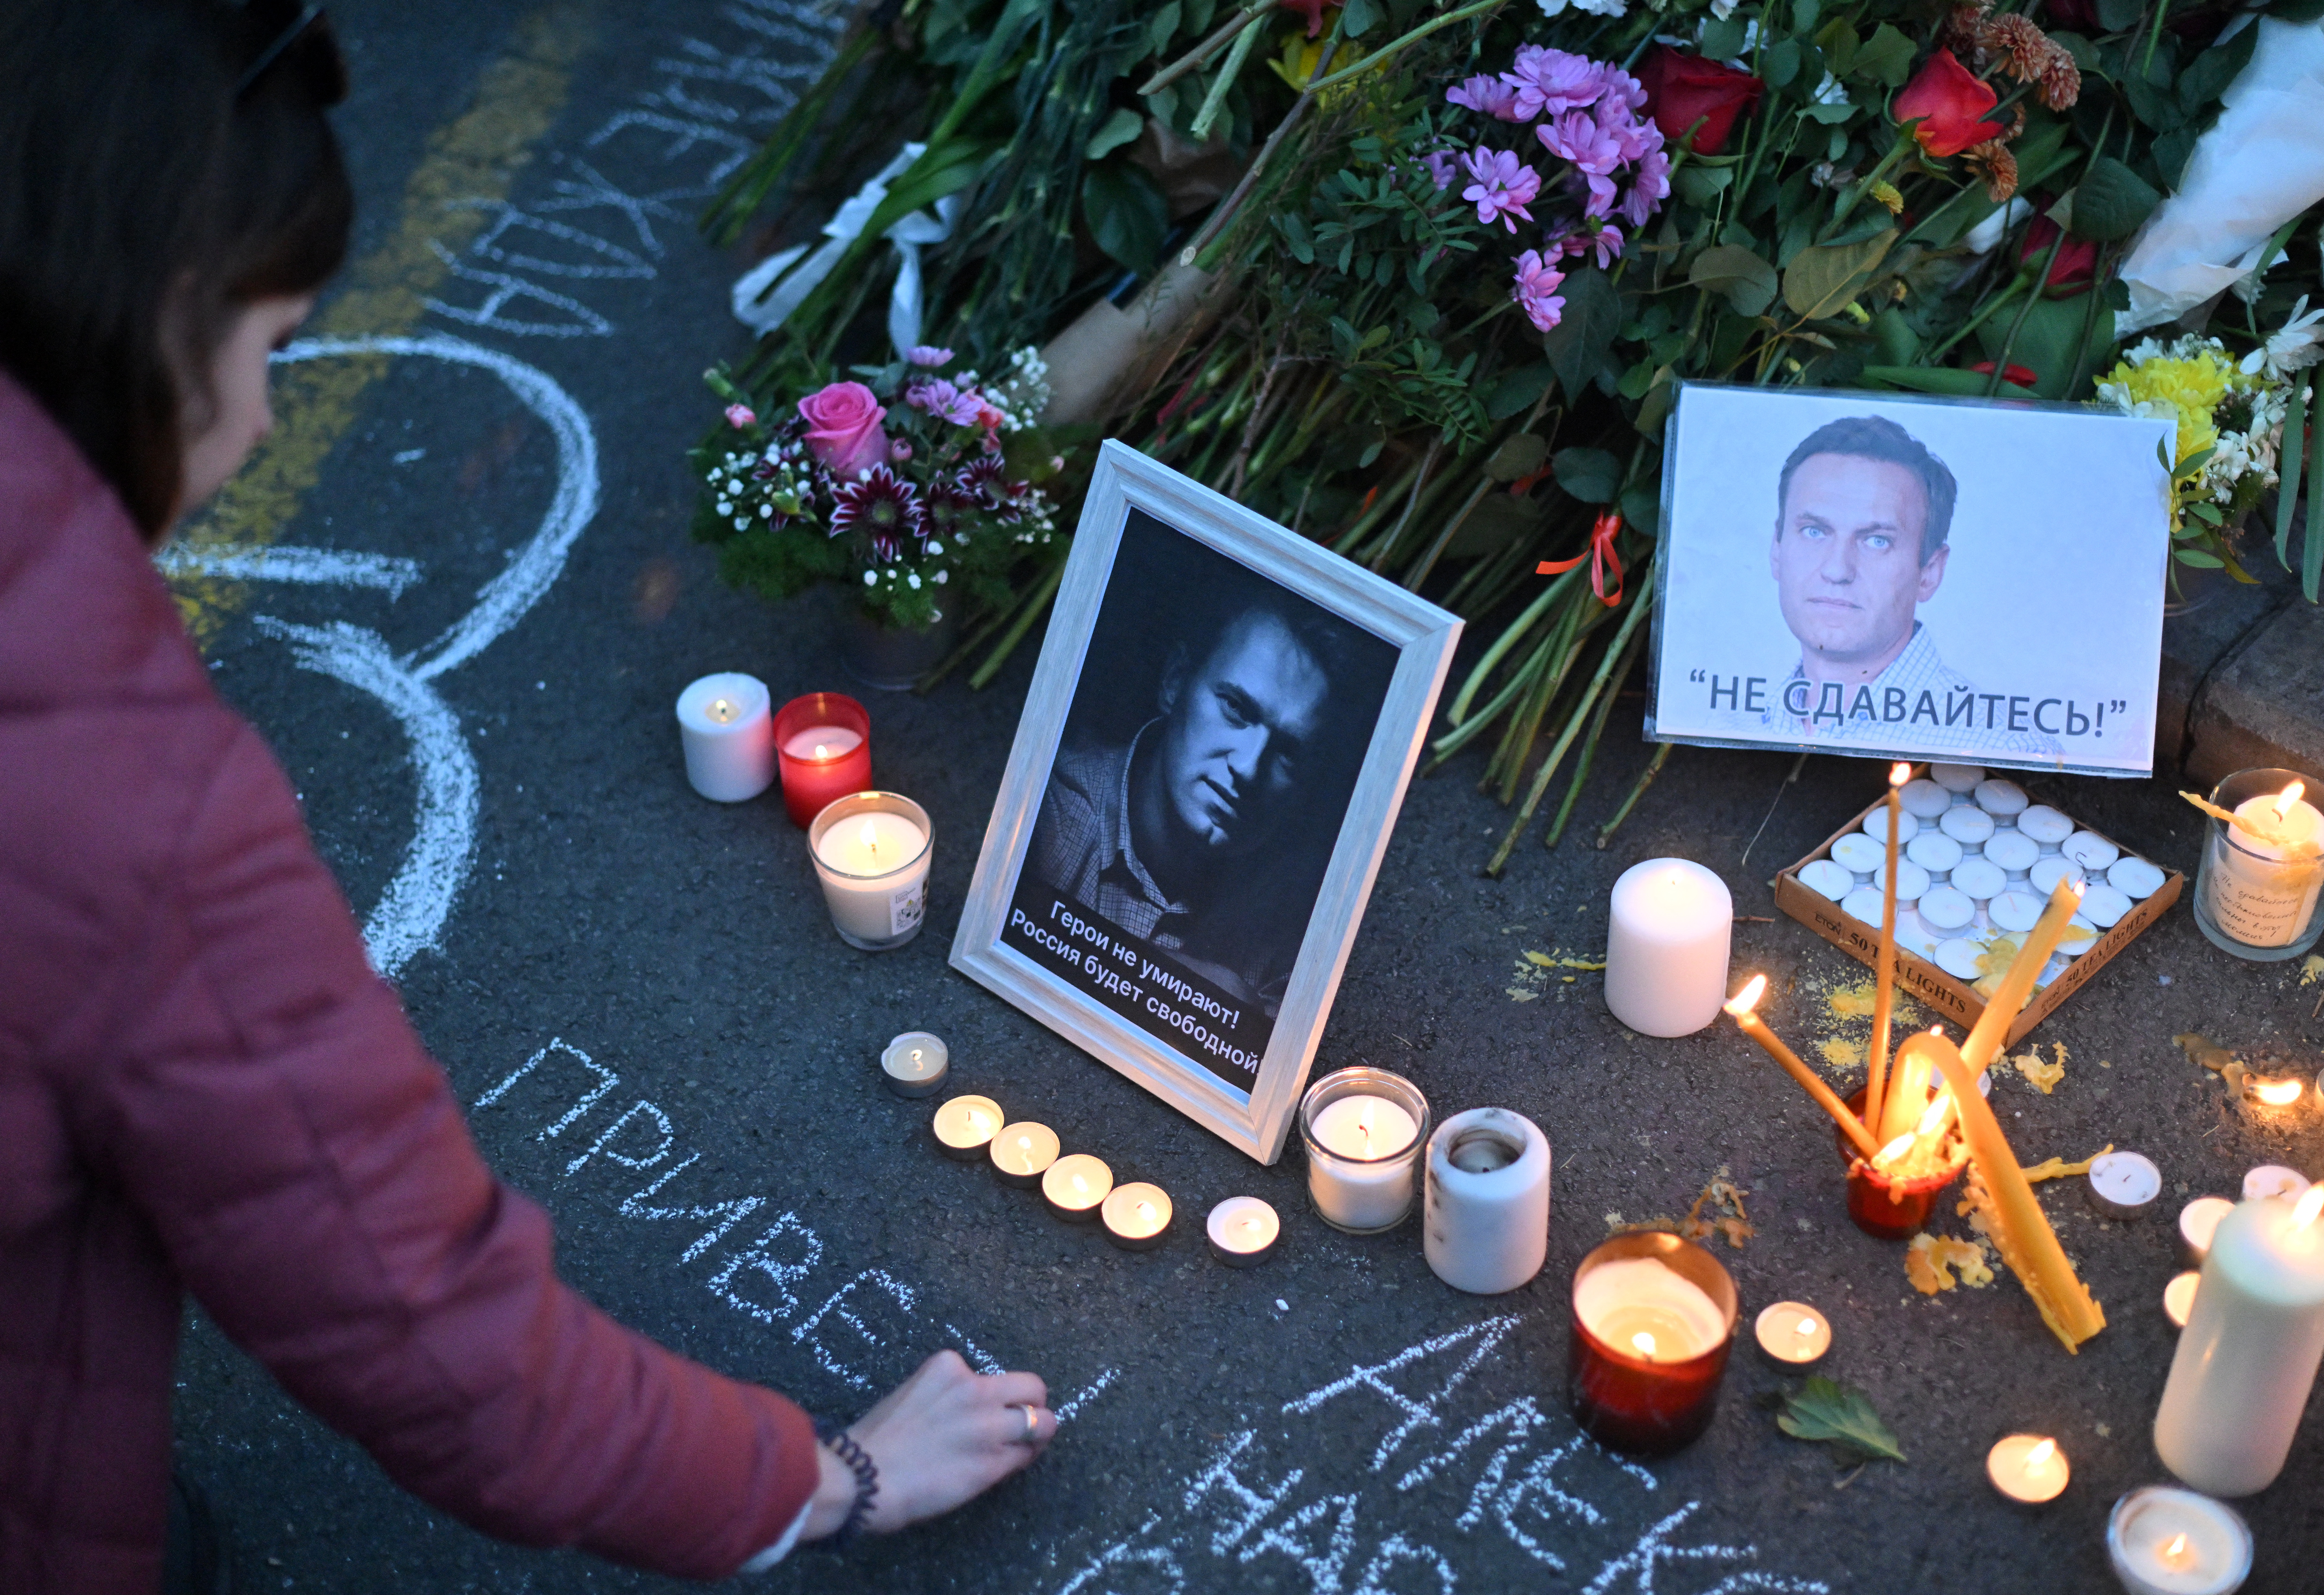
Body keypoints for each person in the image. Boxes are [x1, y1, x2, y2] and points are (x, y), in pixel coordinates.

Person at [0, 5, 1051, 1591]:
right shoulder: (120, 799)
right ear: (154, 314)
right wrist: (822, 1478)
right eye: (269, 346)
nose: (275, 416)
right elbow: (425, 1328)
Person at [1026, 587, 1354, 1019]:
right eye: (1236, 708)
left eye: (1288, 752)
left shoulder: (1301, 929)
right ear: (1176, 682)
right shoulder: (1045, 817)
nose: (1250, 768)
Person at [1746, 414, 2057, 757]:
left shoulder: (2007, 747)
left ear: (1930, 573)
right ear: (1776, 548)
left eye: (1877, 541)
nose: (1837, 570)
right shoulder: (1726, 727)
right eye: (1815, 532)